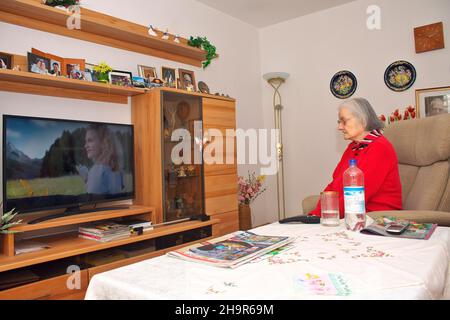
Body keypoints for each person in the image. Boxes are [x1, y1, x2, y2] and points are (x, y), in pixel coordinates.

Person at [308, 98, 402, 218]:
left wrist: (321, 216)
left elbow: (357, 194)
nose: (340, 127)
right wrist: (315, 214)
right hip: (355, 215)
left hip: (378, 218)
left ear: (362, 121)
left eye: (344, 121)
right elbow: (335, 185)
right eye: (339, 122)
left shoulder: (380, 148)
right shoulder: (353, 147)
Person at [77, 124, 124, 194]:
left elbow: (91, 198)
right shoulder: (116, 169)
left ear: (103, 143)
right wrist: (88, 179)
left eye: (90, 141)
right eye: (86, 141)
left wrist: (88, 179)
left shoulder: (97, 170)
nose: (85, 146)